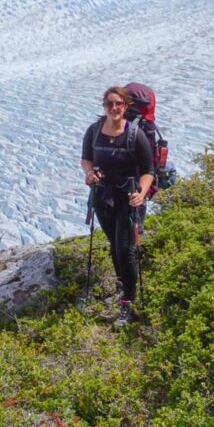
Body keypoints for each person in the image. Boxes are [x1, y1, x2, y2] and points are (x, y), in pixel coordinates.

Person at [81, 86, 155, 327]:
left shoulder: (135, 135)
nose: (113, 108)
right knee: (114, 245)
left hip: (128, 199)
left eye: (118, 104)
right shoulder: (93, 131)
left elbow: (148, 172)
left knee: (126, 249)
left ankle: (128, 303)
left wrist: (141, 193)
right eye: (109, 104)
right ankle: (123, 288)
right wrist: (89, 173)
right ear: (104, 106)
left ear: (125, 106)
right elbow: (86, 159)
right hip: (103, 197)